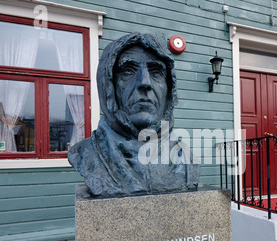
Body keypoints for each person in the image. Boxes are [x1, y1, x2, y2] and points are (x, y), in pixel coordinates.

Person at [68, 33, 200, 197]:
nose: (144, 82)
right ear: (108, 85)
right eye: (128, 71)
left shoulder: (185, 159)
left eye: (156, 72)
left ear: (169, 91)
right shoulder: (85, 155)